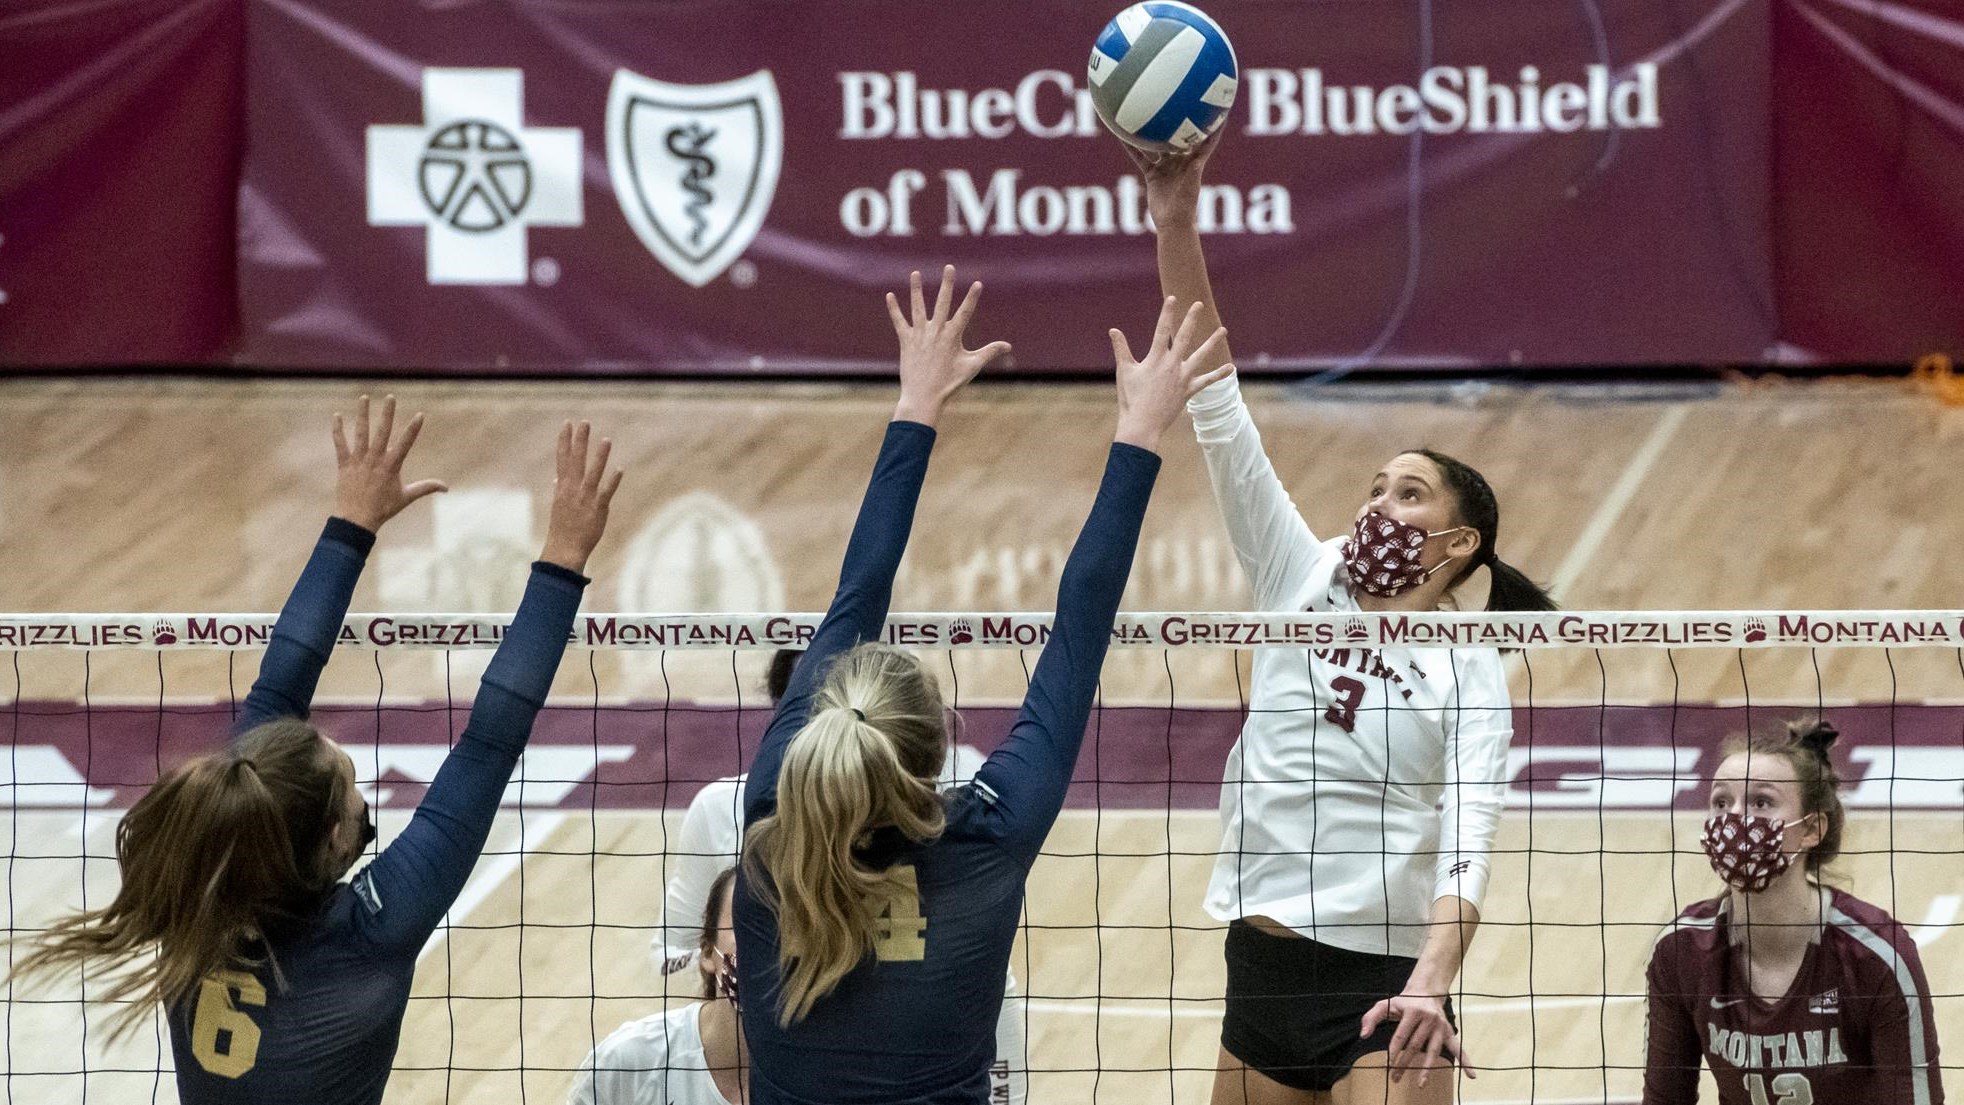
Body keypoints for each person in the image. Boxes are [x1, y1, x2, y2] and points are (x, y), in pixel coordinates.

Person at [8, 398, 621, 1105]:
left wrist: (350, 525)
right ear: (335, 836)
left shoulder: (207, 880)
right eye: (354, 784)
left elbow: (284, 682)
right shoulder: (368, 931)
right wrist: (563, 562)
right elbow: (488, 742)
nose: (349, 770)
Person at [1128, 135, 1559, 1104]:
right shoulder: (1297, 571)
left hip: (1385, 988)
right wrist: (1172, 218)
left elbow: (1468, 839)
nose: (1377, 506)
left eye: (1408, 494)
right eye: (1374, 486)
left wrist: (1432, 983)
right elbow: (1213, 393)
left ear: (1457, 545)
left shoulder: (1467, 668)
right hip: (1262, 970)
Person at [733, 267, 1231, 1104]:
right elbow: (1080, 627)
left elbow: (857, 596)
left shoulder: (769, 824)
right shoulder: (988, 838)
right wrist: (1140, 430)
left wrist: (915, 406)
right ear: (936, 745)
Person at [654, 654, 1018, 1101]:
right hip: (759, 1051)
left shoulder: (928, 828)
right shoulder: (719, 807)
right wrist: (730, 958)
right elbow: (666, 952)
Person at [1644, 720, 1945, 1105]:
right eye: (1722, 802)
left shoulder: (1877, 955)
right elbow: (1664, 1098)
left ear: (1811, 829)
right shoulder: (1681, 950)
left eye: (1761, 803)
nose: (1736, 819)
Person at [575, 868, 747, 1105]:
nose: (766, 947)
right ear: (707, 951)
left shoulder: (814, 1077)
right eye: (746, 926)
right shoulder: (628, 1064)